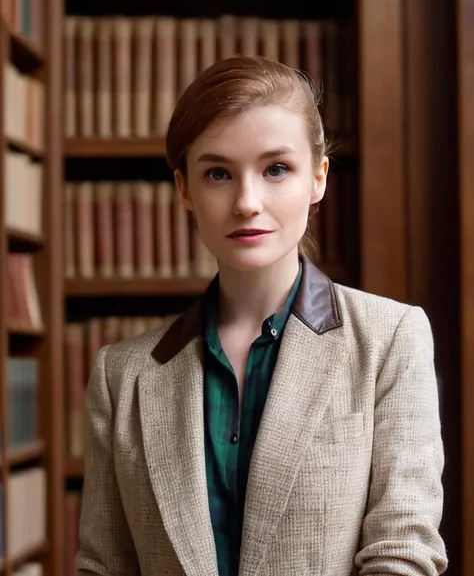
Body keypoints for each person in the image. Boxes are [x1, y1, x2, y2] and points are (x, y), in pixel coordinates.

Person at [76, 56, 448, 576]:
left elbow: (404, 550)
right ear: (185, 188)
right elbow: (103, 566)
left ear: (318, 178)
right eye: (218, 173)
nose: (247, 202)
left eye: (276, 168)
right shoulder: (122, 375)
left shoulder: (390, 340)